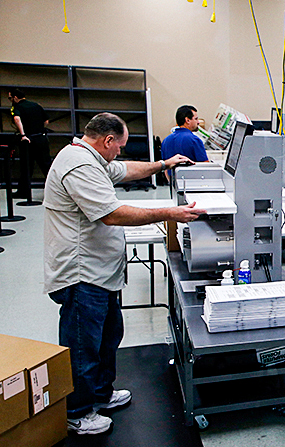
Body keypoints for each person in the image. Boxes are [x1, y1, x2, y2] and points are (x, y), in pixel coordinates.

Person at [43, 113, 206, 435]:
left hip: (100, 273)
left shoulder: (92, 158)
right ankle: (77, 412)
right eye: (119, 146)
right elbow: (112, 214)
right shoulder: (79, 165)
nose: (120, 152)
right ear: (107, 141)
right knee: (83, 347)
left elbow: (126, 169)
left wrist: (164, 164)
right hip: (82, 274)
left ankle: (100, 395)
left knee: (107, 337)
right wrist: (170, 213)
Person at [8, 88, 51, 198]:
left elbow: (17, 119)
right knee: (46, 166)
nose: (10, 100)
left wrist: (23, 134)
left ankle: (23, 191)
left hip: (28, 140)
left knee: (26, 167)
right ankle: (56, 190)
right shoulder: (36, 105)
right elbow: (46, 121)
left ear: (15, 97)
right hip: (41, 138)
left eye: (10, 98)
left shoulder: (17, 107)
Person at [160, 105, 208, 180]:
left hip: (175, 185)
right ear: (187, 120)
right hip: (193, 184)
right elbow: (205, 167)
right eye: (196, 119)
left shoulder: (166, 141)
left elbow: (166, 168)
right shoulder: (195, 140)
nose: (198, 122)